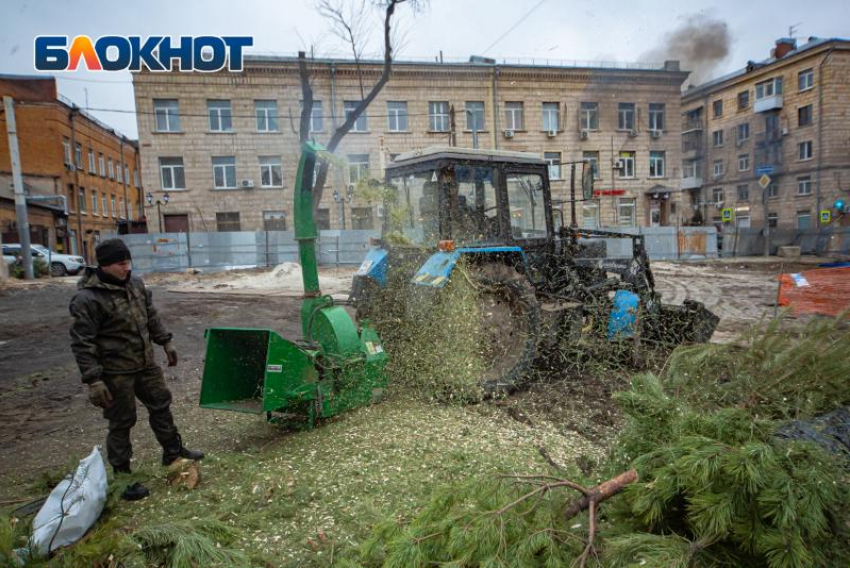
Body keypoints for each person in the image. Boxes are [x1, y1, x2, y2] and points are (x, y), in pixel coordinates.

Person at [69, 239, 203, 500]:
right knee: (121, 422)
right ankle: (123, 478)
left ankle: (173, 453)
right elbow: (82, 342)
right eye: (121, 264)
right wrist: (93, 380)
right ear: (105, 265)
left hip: (145, 364)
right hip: (115, 372)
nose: (126, 268)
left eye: (128, 263)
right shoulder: (87, 299)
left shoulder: (136, 285)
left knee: (161, 405)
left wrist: (166, 341)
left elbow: (150, 316)